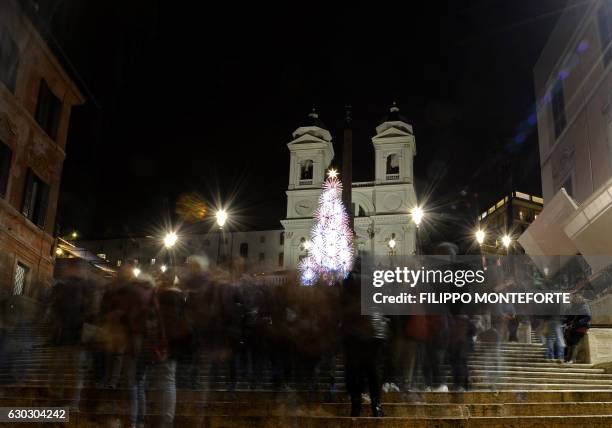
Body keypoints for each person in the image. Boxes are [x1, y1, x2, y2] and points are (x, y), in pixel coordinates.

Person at [342, 260, 386, 417]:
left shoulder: (350, 279)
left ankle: (356, 405)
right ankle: (377, 406)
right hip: (375, 330)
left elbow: (341, 303)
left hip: (355, 332)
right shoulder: (377, 279)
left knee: (355, 370)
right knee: (373, 369)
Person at [156, 270, 188, 428]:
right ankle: (166, 420)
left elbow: (164, 322)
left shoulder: (166, 297)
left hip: (166, 342)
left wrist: (164, 342)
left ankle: (166, 421)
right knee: (169, 380)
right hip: (175, 342)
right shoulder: (180, 297)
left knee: (167, 381)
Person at [564, 294, 591, 364]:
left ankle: (573, 359)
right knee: (569, 342)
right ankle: (568, 358)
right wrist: (566, 323)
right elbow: (570, 317)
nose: (574, 301)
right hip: (573, 327)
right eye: (574, 300)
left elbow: (588, 317)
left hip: (581, 327)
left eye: (575, 299)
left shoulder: (584, 306)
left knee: (574, 341)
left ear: (579, 300)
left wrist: (578, 323)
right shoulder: (573, 307)